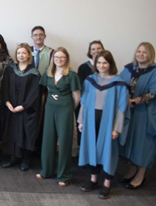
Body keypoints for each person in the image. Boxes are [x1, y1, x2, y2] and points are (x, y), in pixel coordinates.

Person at [77, 50, 128, 199]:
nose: (101, 65)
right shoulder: (90, 80)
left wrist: (117, 128)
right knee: (92, 147)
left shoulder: (119, 83)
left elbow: (122, 107)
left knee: (108, 150)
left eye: (105, 62)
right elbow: (84, 102)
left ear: (110, 64)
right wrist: (81, 121)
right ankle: (93, 180)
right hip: (91, 119)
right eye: (98, 62)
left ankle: (107, 183)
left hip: (109, 121)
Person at [36, 47, 81, 186]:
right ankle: (47, 170)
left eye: (62, 57)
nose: (59, 59)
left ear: (66, 59)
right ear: (53, 59)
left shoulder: (72, 75)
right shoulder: (49, 73)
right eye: (56, 57)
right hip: (50, 108)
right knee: (48, 139)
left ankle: (64, 175)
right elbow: (46, 90)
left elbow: (77, 96)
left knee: (65, 141)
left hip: (65, 109)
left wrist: (68, 108)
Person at [120, 42, 156, 190]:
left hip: (145, 112)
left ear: (150, 55)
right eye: (139, 51)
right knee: (131, 141)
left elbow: (153, 93)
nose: (141, 54)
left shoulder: (154, 71)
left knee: (143, 143)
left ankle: (141, 174)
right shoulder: (129, 68)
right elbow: (119, 84)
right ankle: (132, 170)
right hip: (130, 112)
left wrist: (134, 100)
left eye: (145, 52)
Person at [0, 43, 41, 171]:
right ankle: (13, 157)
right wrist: (7, 102)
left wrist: (23, 106)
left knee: (25, 133)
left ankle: (25, 159)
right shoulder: (10, 69)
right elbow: (4, 87)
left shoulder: (34, 73)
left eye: (24, 53)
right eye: (19, 53)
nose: (21, 55)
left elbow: (35, 93)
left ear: (29, 55)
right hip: (11, 108)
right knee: (12, 132)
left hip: (26, 110)